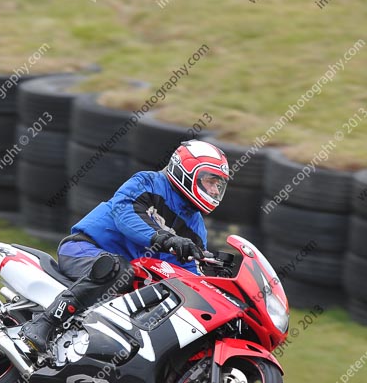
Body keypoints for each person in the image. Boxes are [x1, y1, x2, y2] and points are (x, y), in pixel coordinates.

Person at [20, 139, 230, 353]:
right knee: (118, 270)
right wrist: (166, 239)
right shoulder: (148, 183)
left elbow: (186, 274)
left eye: (218, 185)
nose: (214, 190)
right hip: (85, 249)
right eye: (210, 181)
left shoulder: (196, 228)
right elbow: (126, 215)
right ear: (187, 171)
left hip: (130, 276)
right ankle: (44, 323)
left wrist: (210, 288)